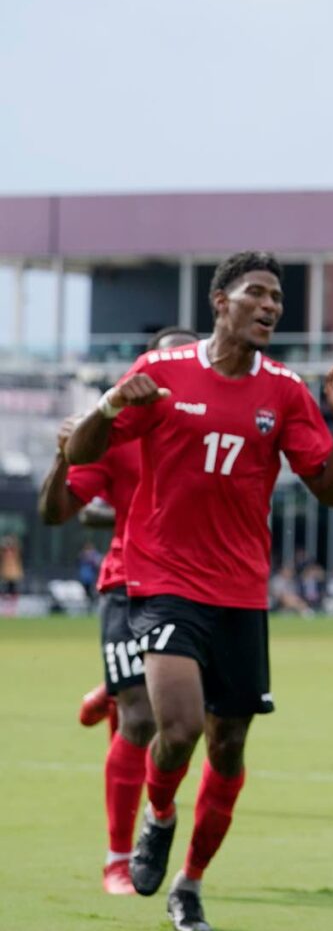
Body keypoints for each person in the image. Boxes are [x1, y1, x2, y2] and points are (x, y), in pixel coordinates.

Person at [66, 251, 333, 931]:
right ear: (219, 301)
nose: (270, 306)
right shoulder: (162, 374)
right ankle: (158, 815)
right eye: (256, 293)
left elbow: (331, 489)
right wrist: (112, 402)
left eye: (277, 299)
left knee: (228, 747)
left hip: (241, 592)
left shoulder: (286, 390)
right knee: (178, 727)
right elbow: (84, 450)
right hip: (163, 580)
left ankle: (190, 883)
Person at [38, 326, 199, 895]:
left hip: (200, 590)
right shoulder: (117, 433)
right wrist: (65, 455)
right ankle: (116, 860)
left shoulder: (209, 428)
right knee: (141, 720)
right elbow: (62, 510)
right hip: (128, 584)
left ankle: (113, 684)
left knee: (196, 717)